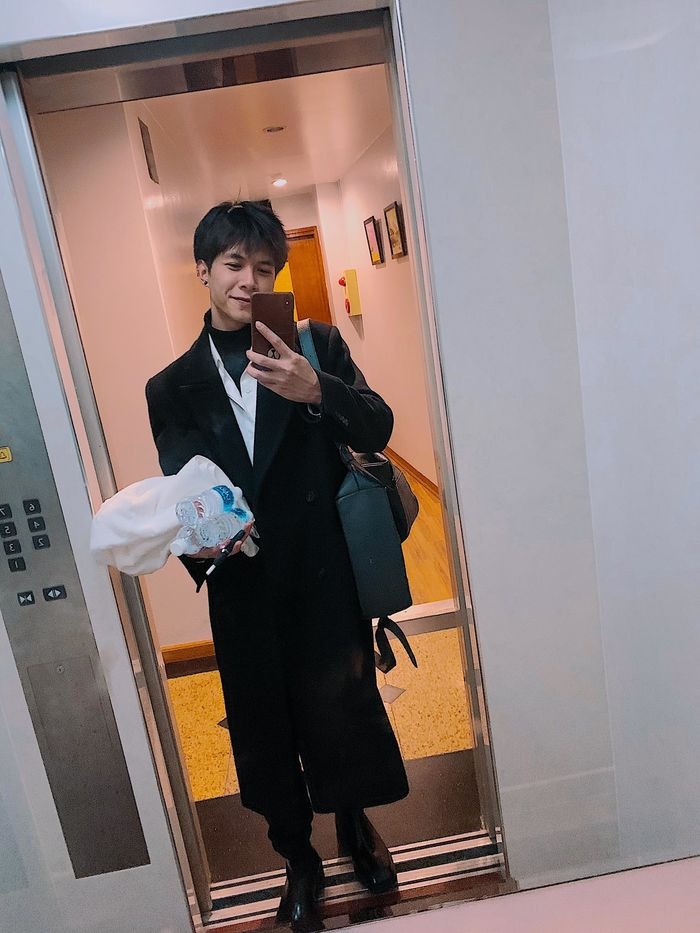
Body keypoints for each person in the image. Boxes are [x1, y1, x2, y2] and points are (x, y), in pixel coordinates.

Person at [145, 201, 408, 930]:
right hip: (243, 586)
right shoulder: (170, 386)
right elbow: (182, 489)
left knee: (340, 708)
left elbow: (378, 424)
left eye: (264, 269)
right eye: (234, 264)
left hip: (324, 573)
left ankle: (353, 824)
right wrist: (207, 545)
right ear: (203, 269)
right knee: (262, 729)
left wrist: (315, 389)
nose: (248, 281)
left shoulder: (315, 344)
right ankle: (297, 856)